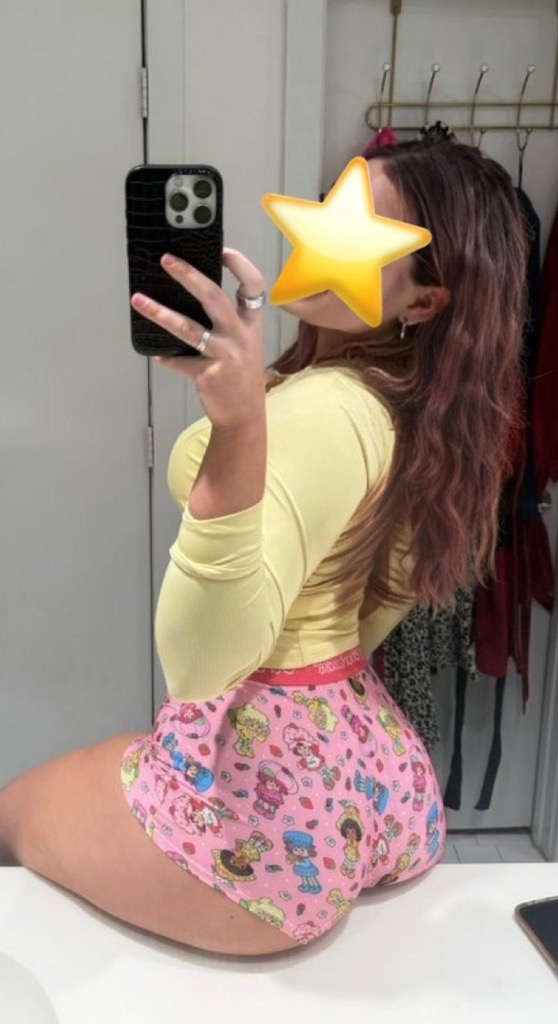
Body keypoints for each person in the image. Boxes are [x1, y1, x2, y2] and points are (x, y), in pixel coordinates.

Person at [0, 139, 528, 956]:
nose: (320, 236)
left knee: (10, 814)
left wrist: (243, 426)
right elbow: (379, 603)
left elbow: (201, 664)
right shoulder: (412, 408)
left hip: (270, 819)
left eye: (360, 233)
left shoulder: (325, 414)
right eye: (330, 209)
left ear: (424, 303)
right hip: (367, 763)